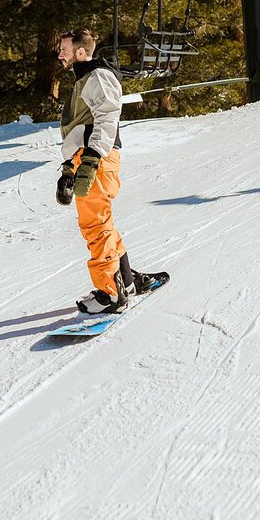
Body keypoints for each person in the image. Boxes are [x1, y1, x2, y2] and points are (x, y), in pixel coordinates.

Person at [56, 28, 159, 314]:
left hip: (96, 160)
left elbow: (108, 117)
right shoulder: (84, 78)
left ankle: (110, 294)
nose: (59, 54)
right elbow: (80, 129)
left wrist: (90, 159)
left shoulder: (97, 76)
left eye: (64, 48)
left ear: (80, 51)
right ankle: (125, 281)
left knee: (96, 226)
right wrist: (68, 169)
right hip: (86, 159)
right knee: (102, 223)